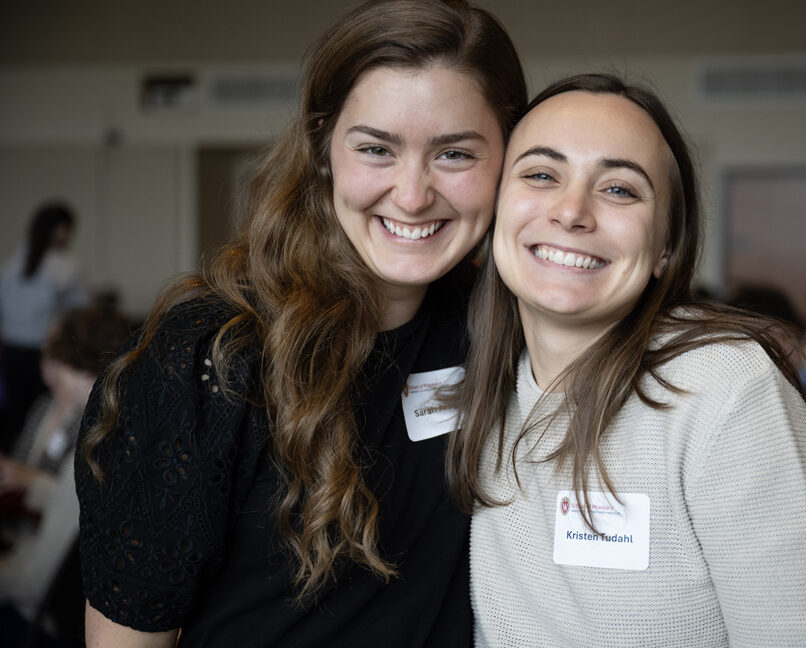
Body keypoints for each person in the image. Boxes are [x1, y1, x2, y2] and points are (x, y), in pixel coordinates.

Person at [74, 1, 526, 646]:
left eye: (454, 154)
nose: (412, 193)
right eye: (376, 149)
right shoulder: (213, 358)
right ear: (322, 149)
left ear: (509, 157)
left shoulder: (503, 330)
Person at [447, 74, 806, 646]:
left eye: (620, 189)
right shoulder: (474, 378)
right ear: (496, 206)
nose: (572, 211)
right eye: (541, 174)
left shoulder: (722, 389)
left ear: (667, 246)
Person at [0, 306, 130, 646]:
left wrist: (31, 484)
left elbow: (33, 583)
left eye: (54, 356)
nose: (48, 367)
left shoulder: (92, 446)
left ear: (77, 367)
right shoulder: (55, 409)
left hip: (50, 616)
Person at [0, 202, 88, 452]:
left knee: (17, 414)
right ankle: (37, 467)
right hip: (43, 352)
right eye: (67, 229)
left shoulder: (12, 262)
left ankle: (16, 469)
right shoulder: (65, 266)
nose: (70, 236)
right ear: (58, 230)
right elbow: (81, 314)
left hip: (12, 350)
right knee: (46, 413)